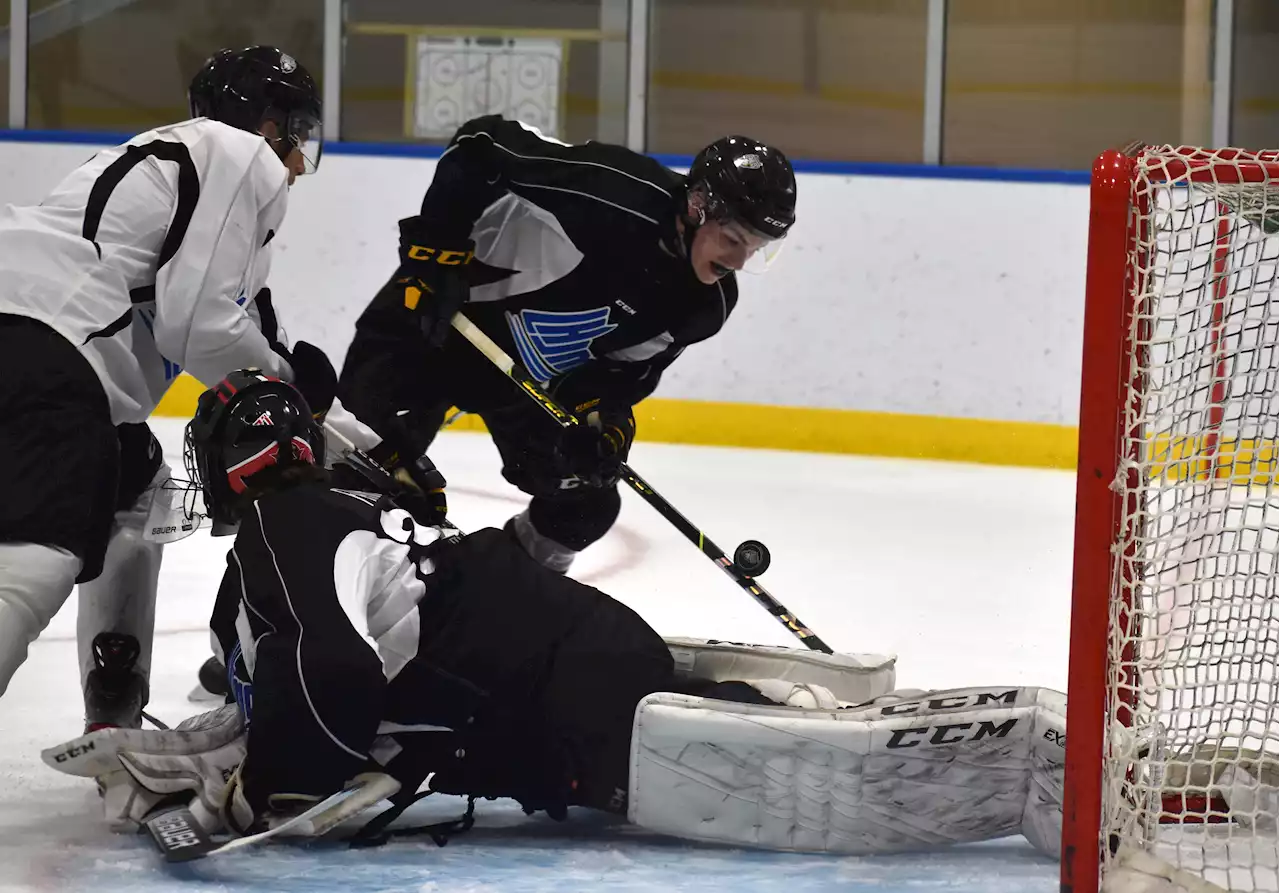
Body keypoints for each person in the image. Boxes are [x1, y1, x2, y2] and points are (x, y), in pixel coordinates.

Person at [43, 372, 1067, 861]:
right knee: (773, 729)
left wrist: (272, 788)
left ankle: (1032, 762)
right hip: (564, 652)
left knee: (817, 777)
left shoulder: (282, 527)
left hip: (547, 690)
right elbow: (402, 619)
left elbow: (342, 668)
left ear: (230, 469)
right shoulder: (309, 531)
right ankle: (1019, 750)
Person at [0, 45, 339, 732]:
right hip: (48, 346)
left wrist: (337, 416)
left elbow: (226, 326)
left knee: (137, 491)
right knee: (37, 559)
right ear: (268, 126)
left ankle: (113, 697)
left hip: (31, 335)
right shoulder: (239, 156)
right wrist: (290, 382)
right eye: (298, 135)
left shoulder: (171, 165)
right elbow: (203, 328)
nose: (301, 163)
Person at [336, 116, 798, 574]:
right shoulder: (611, 194)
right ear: (697, 207)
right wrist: (438, 251)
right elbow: (480, 142)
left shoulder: (704, 306)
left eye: (754, 248)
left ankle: (504, 593)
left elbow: (619, 375)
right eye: (733, 238)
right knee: (365, 472)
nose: (737, 261)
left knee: (586, 503)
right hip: (432, 321)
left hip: (520, 382)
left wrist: (605, 423)